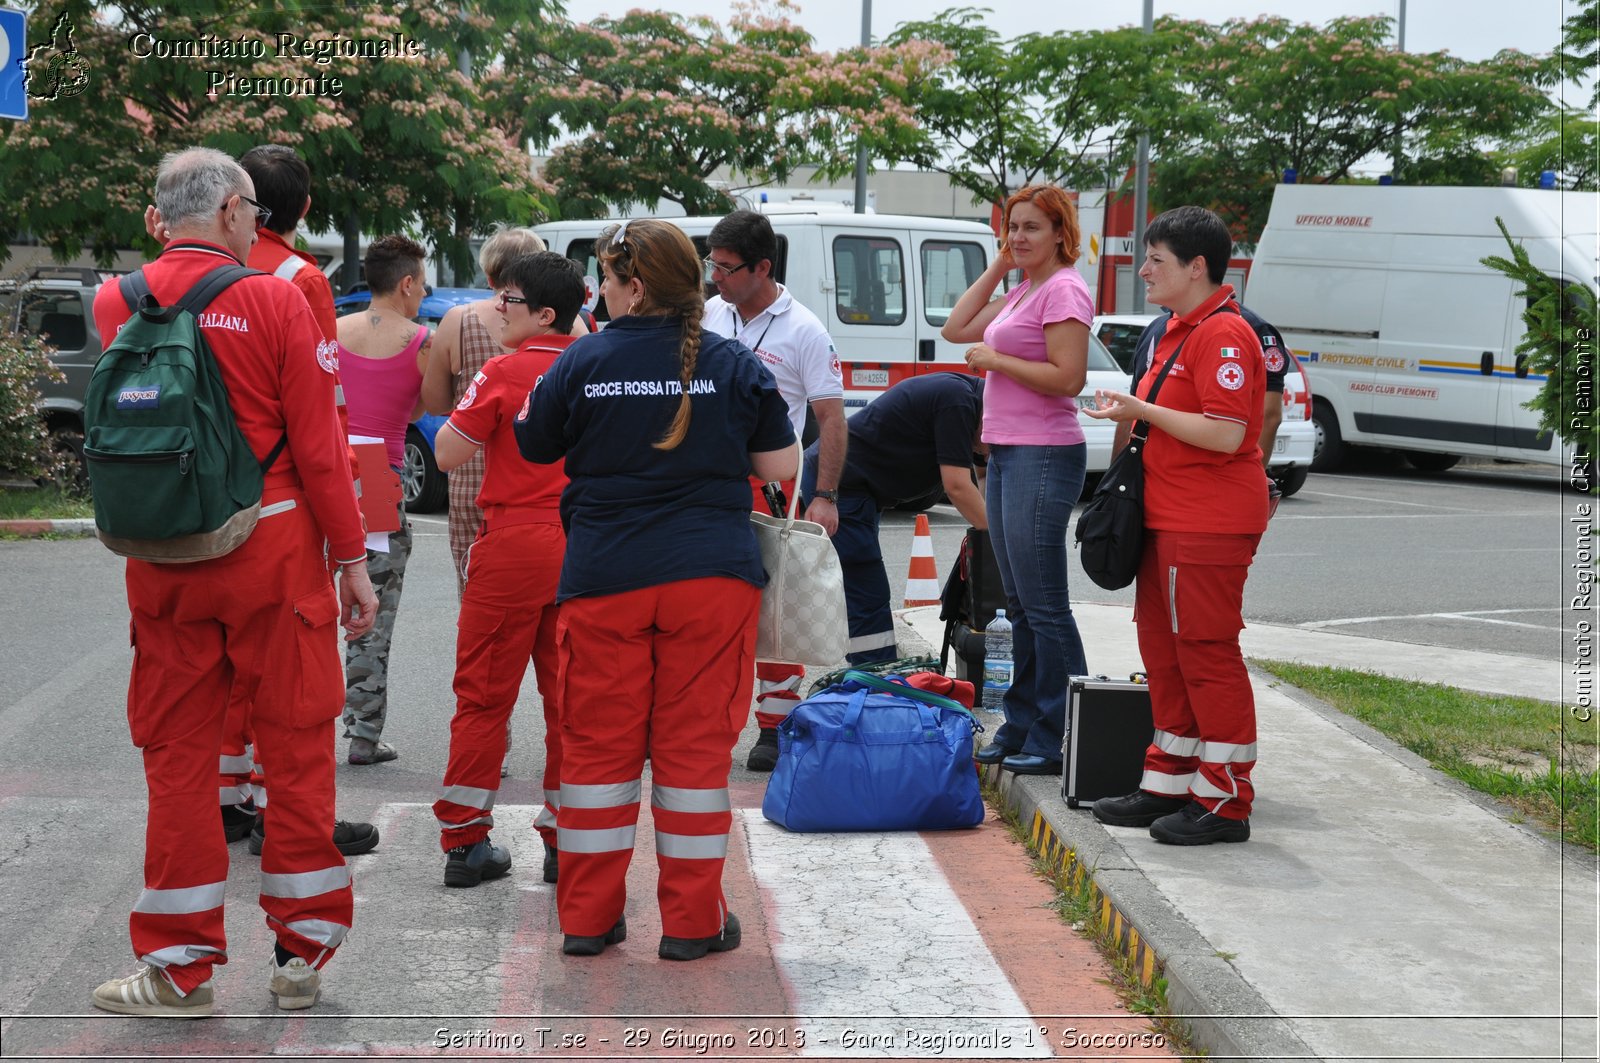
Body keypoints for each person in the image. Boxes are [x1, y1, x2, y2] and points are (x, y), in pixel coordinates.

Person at [90, 147, 377, 1017]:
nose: (258, 221)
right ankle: (299, 954)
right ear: (225, 213)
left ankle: (178, 968)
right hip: (274, 552)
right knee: (293, 745)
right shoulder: (274, 299)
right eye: (251, 209)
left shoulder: (115, 300)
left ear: (157, 218)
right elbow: (321, 447)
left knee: (177, 755)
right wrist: (354, 560)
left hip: (163, 558)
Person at [515, 218, 795, 961]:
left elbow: (533, 440)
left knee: (597, 757)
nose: (598, 295)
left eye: (604, 281)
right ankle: (693, 924)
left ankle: (588, 918)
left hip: (605, 579)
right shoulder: (733, 360)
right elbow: (778, 461)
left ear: (633, 284)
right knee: (696, 761)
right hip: (711, 579)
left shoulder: (584, 359)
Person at [1084, 205, 1270, 846]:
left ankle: (1224, 802)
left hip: (1208, 522)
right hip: (1167, 518)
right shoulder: (1172, 329)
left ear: (1197, 267)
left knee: (1205, 655)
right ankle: (1168, 783)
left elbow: (1226, 433)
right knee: (1163, 655)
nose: (1143, 271)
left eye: (1155, 259)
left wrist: (1141, 410)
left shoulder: (1224, 335)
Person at [430, 252, 585, 888]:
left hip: (513, 541)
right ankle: (564, 838)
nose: (497, 307)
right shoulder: (592, 366)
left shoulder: (500, 371)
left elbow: (444, 455)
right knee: (572, 700)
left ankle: (467, 842)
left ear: (544, 314)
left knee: (484, 697)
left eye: (509, 300)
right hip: (584, 545)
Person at [940, 183, 1093, 777]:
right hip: (1007, 453)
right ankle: (1025, 722)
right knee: (1023, 606)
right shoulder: (1025, 287)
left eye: (1032, 228)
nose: (1020, 237)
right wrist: (1001, 262)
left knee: (1045, 604)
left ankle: (1061, 732)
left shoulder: (1065, 289)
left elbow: (1069, 377)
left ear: (1061, 232)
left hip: (1044, 453)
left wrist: (997, 360)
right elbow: (956, 328)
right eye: (1013, 227)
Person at [701, 209, 847, 771]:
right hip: (705, 480)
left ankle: (776, 724)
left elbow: (831, 420)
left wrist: (824, 495)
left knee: (775, 604)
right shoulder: (710, 314)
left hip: (771, 484)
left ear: (763, 267)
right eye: (711, 264)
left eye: (727, 267)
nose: (716, 276)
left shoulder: (804, 330)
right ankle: (706, 720)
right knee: (708, 604)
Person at [798, 372, 987, 665]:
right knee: (866, 589)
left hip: (861, 490)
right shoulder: (958, 403)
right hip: (839, 484)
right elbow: (958, 486)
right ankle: (874, 677)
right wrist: (996, 538)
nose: (988, 449)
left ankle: (874, 669)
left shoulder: (975, 405)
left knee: (863, 588)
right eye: (994, 440)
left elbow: (983, 473)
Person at [421, 226, 559, 592]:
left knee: (480, 598)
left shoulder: (459, 320)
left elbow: (434, 402)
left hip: (474, 480)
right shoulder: (570, 323)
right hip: (549, 485)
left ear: (490, 274)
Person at [339, 235, 430, 765]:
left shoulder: (329, 328)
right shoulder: (423, 340)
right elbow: (426, 406)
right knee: (373, 607)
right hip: (376, 473)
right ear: (406, 283)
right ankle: (363, 734)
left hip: (326, 464)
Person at [1121, 303, 1290, 475]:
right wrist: (1117, 477)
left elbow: (1269, 416)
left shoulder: (1243, 327)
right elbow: (1131, 411)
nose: (1144, 274)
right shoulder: (1158, 327)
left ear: (1196, 274)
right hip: (1156, 483)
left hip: (1216, 484)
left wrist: (1254, 476)